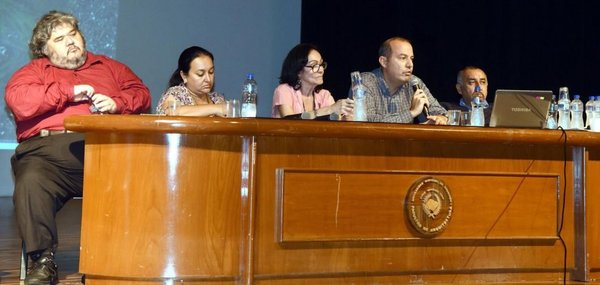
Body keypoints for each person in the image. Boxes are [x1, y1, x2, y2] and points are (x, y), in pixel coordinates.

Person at [4, 10, 151, 284]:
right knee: (31, 180)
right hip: (47, 153)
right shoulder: (32, 72)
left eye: (73, 34)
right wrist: (68, 93)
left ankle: (104, 262)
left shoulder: (109, 67)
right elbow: (20, 102)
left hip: (104, 150)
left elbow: (141, 93)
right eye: (59, 38)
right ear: (44, 50)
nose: (70, 41)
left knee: (141, 172)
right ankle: (43, 263)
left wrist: (118, 103)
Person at [361, 37, 447, 124]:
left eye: (411, 59)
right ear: (384, 62)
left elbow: (439, 111)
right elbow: (366, 121)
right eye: (403, 58)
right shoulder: (366, 82)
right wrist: (412, 113)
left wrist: (441, 118)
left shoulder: (414, 82)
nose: (410, 64)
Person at [272, 43, 353, 119]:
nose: (321, 70)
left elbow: (333, 125)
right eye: (314, 65)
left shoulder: (324, 95)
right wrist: (329, 110)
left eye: (321, 64)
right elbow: (290, 123)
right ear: (298, 71)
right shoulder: (284, 90)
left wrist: (346, 117)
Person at [156, 46, 227, 116]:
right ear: (184, 76)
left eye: (211, 72)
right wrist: (215, 109)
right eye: (200, 74)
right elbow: (172, 111)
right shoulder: (175, 94)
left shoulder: (217, 98)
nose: (208, 79)